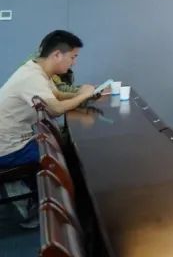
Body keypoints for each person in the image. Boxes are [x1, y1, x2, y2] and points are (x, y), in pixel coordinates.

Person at [0, 31, 100, 228]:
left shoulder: (36, 69)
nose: (74, 63)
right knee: (65, 160)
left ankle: (68, 207)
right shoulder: (32, 77)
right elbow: (55, 109)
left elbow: (57, 96)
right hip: (8, 149)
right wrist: (84, 95)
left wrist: (87, 93)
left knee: (68, 153)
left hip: (18, 139)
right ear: (57, 55)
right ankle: (50, 212)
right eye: (73, 57)